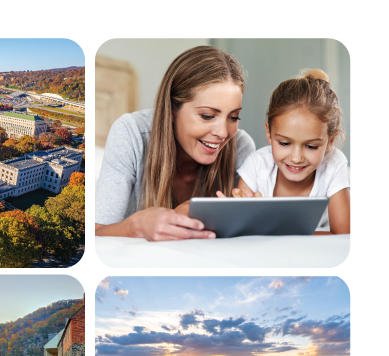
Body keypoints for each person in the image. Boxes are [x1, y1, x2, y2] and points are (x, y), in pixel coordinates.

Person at [95, 45, 256, 241]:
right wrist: (136, 226)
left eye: (233, 117)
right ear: (171, 109)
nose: (223, 133)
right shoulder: (131, 133)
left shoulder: (241, 146)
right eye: (207, 116)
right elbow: (96, 235)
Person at [216, 69, 350, 235]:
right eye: (285, 143)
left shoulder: (334, 164)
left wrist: (274, 230)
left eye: (311, 146)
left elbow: (343, 235)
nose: (296, 158)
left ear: (330, 141)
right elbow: (243, 232)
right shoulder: (256, 165)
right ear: (269, 133)